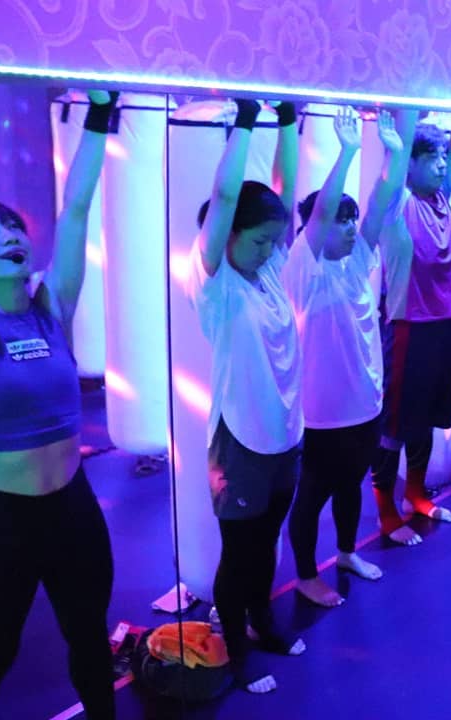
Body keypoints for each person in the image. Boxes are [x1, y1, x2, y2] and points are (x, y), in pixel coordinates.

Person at [0, 91, 116, 719]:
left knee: (90, 642)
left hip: (73, 508)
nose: (8, 236)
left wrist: (100, 114)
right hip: (6, 520)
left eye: (13, 228)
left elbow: (76, 208)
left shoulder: (52, 308)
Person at [186, 98, 305, 694]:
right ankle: (237, 654)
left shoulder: (267, 268)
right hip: (240, 442)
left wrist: (288, 122)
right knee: (240, 554)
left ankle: (263, 621)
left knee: (265, 546)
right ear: (226, 235)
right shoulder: (217, 283)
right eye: (259, 241)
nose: (270, 250)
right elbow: (226, 195)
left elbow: (287, 188)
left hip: (286, 436)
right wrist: (247, 120)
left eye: (273, 241)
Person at [282, 107, 385, 607]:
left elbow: (382, 205)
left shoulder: (357, 263)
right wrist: (348, 152)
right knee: (311, 498)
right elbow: (320, 216)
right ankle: (306, 576)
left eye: (351, 219)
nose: (349, 228)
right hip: (322, 416)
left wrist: (395, 155)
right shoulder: (304, 269)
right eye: (340, 221)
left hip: (365, 407)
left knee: (351, 489)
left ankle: (346, 554)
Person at [362, 109, 451, 545]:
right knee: (395, 425)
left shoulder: (441, 196)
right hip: (410, 327)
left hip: (447, 324)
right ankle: (387, 510)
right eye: (432, 158)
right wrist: (407, 115)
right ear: (409, 163)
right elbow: (398, 158)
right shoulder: (398, 203)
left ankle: (415, 493)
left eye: (444, 157)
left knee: (426, 418)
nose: (443, 164)